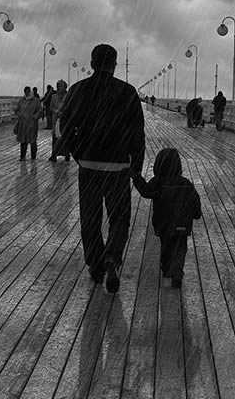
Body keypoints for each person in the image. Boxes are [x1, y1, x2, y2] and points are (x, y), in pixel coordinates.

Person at [60, 44, 145, 293]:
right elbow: (138, 132)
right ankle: (112, 257)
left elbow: (65, 125)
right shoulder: (127, 92)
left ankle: (95, 264)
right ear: (114, 64)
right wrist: (136, 166)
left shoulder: (78, 90)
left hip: (89, 165)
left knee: (90, 217)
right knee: (119, 218)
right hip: (118, 166)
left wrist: (78, 153)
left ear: (92, 63)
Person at [131, 148, 201, 288]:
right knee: (180, 249)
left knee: (167, 248)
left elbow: (146, 191)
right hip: (182, 224)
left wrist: (136, 177)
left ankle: (168, 270)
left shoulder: (158, 182)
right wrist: (196, 213)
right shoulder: (186, 183)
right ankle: (177, 271)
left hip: (164, 224)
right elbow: (195, 201)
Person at [14, 86, 41, 160]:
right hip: (23, 123)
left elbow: (39, 110)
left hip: (32, 123)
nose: (26, 92)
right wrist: (19, 114)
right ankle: (22, 156)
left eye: (28, 91)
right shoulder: (21, 100)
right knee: (23, 141)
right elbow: (17, 110)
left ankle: (33, 156)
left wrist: (35, 117)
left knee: (32, 141)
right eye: (25, 91)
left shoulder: (36, 100)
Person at [49, 79, 70, 162]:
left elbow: (70, 107)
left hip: (65, 120)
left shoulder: (68, 96)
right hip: (56, 119)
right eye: (57, 86)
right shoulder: (53, 96)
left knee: (65, 137)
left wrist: (63, 112)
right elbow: (51, 107)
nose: (58, 87)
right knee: (55, 138)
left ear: (65, 87)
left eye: (60, 86)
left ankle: (66, 154)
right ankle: (54, 154)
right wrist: (56, 111)